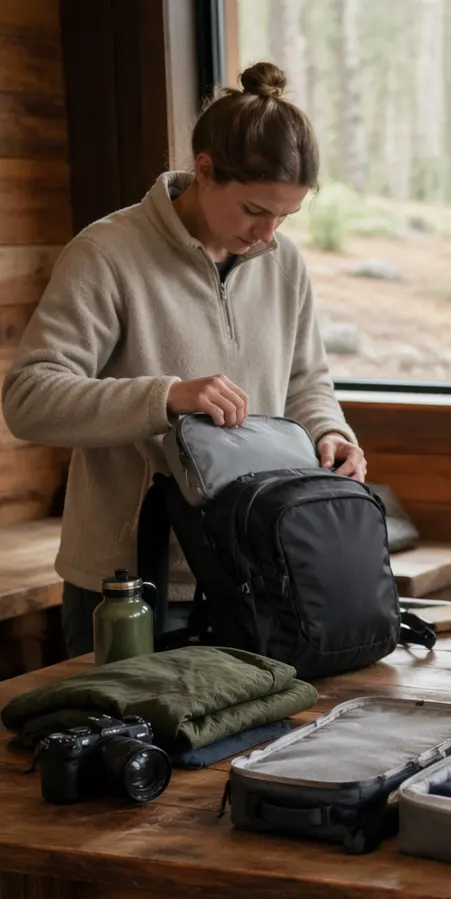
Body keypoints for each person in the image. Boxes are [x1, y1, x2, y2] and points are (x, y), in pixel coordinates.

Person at [1, 62, 366, 658]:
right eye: (254, 209)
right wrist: (165, 395)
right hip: (129, 589)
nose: (269, 233)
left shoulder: (284, 261)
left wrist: (330, 431)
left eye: (285, 216)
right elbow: (30, 400)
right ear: (203, 171)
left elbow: (306, 381)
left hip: (258, 577)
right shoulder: (106, 254)